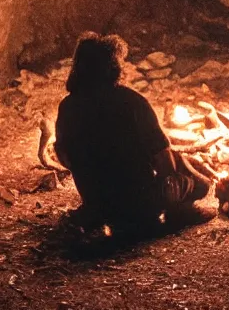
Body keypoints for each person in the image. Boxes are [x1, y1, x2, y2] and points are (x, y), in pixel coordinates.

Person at [54, 33, 213, 238]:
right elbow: (163, 159)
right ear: (113, 67)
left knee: (179, 161)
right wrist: (171, 188)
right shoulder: (132, 102)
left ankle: (105, 210)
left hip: (97, 204)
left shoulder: (67, 107)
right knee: (202, 185)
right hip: (141, 207)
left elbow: (64, 155)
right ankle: (180, 213)